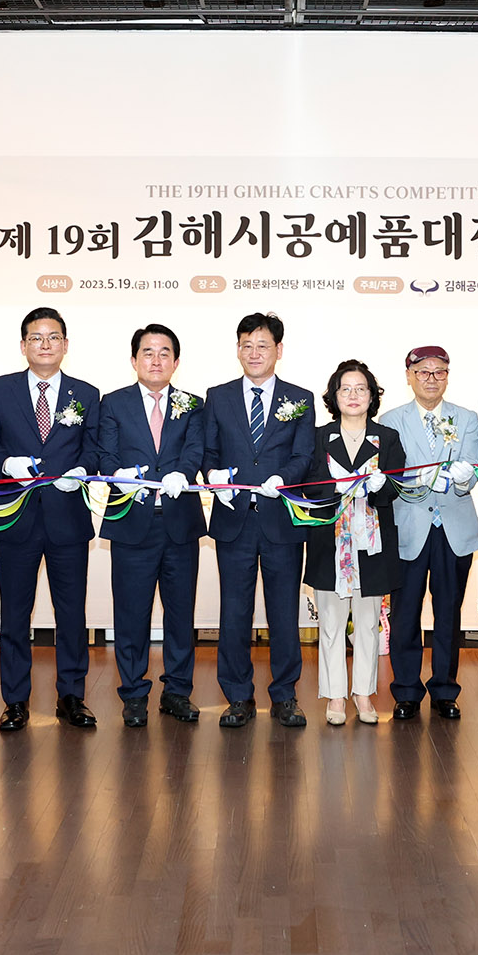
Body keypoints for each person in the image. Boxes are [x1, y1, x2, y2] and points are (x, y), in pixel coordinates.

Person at [0, 306, 99, 731]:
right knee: (15, 614)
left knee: (72, 614)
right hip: (16, 516)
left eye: (53, 337)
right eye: (36, 337)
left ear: (65, 344)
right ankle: (15, 701)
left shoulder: (87, 393)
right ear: (23, 345)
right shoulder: (0, 389)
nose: (45, 344)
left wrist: (81, 469)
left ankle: (72, 696)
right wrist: (5, 463)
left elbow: (95, 447)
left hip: (68, 518)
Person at [89, 324, 206, 727]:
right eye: (148, 352)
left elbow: (196, 450)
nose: (156, 360)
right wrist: (117, 474)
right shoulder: (113, 403)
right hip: (131, 524)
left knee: (180, 615)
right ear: (134, 359)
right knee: (131, 615)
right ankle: (134, 693)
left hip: (179, 524)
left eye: (164, 353)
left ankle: (177, 692)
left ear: (176, 361)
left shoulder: (193, 404)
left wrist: (183, 474)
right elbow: (105, 453)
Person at [202, 312, 315, 729]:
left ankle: (285, 696)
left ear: (278, 350)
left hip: (281, 519)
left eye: (262, 345)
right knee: (234, 613)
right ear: (237, 349)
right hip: (234, 520)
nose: (254, 353)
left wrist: (283, 478)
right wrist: (213, 476)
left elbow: (305, 454)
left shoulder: (300, 398)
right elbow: (208, 452)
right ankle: (237, 696)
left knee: (283, 613)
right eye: (246, 345)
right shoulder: (218, 396)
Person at [378, 346, 478, 720]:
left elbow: (473, 467)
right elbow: (388, 474)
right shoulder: (391, 420)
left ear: (448, 377)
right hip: (409, 527)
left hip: (453, 526)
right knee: (405, 613)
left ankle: (445, 690)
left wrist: (464, 477)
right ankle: (406, 691)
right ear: (409, 376)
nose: (431, 379)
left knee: (448, 613)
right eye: (423, 372)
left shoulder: (466, 418)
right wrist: (418, 478)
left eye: (439, 372)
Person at [301, 361, 404, 726]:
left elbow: (396, 487)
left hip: (371, 545)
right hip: (329, 542)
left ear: (372, 396)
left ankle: (363, 693)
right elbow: (307, 484)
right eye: (346, 389)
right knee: (330, 623)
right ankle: (334, 696)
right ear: (334, 396)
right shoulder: (318, 437)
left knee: (367, 623)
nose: (354, 395)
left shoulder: (387, 437)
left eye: (361, 388)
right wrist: (336, 488)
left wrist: (380, 487)